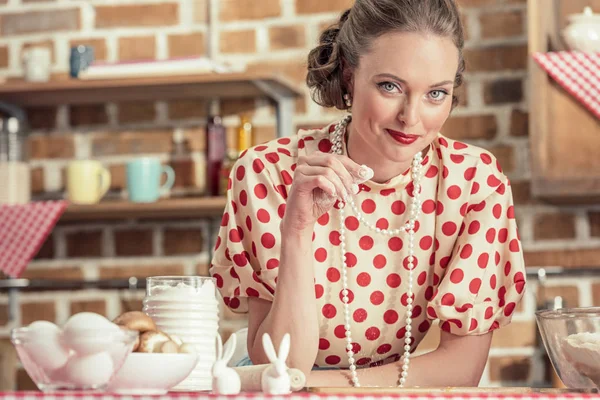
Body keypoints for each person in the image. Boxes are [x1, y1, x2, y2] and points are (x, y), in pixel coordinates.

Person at [209, 0, 526, 388]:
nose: (411, 116)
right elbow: (281, 362)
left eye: (436, 94)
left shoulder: (475, 182)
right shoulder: (269, 172)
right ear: (348, 75)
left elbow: (461, 369)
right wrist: (297, 231)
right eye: (390, 86)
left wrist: (322, 386)